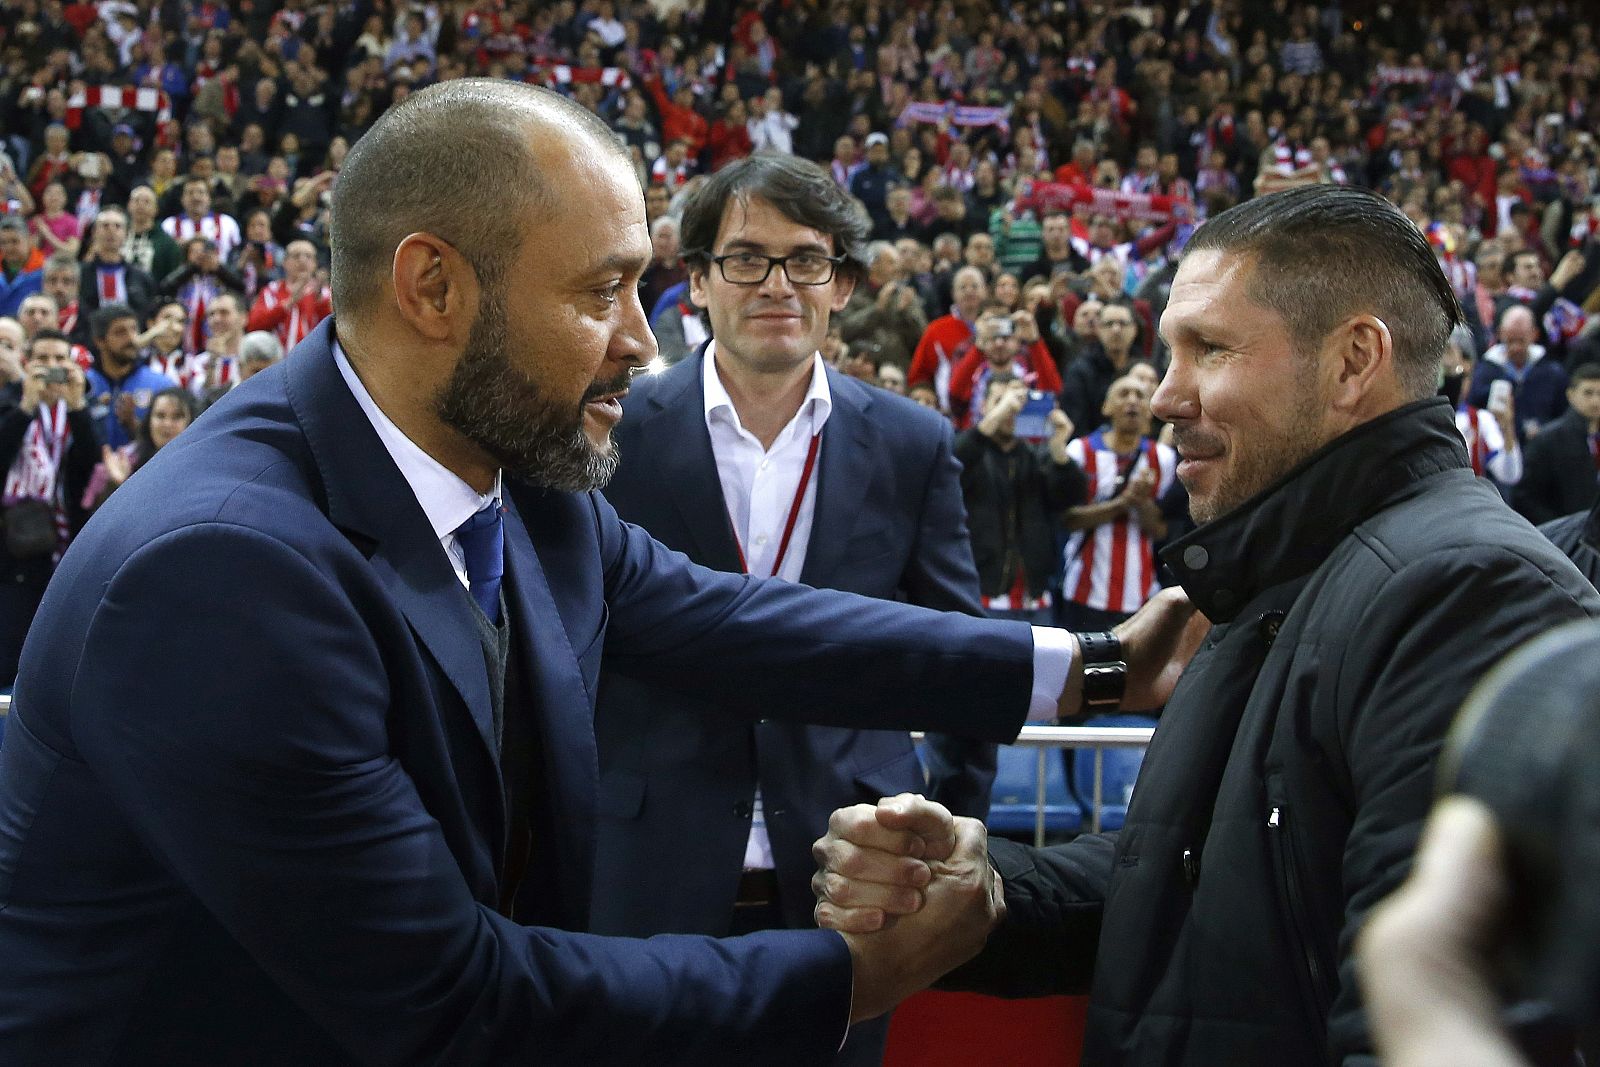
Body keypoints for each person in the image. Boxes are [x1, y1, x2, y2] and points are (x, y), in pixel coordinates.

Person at [0, 79, 1197, 1064]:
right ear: (433, 287)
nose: (646, 337)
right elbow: (451, 995)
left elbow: (739, 622)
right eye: (601, 290)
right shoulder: (221, 572)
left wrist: (1093, 666)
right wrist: (843, 973)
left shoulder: (515, 472)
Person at [813, 185, 1600, 1065]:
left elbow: (1422, 1009)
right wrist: (988, 890)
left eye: (1210, 350)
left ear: (1352, 363)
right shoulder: (1281, 564)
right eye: (1167, 354)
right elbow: (1195, 875)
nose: (1164, 397)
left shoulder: (1468, 594)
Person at [589, 152, 1001, 1067]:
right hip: (646, 867)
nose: (777, 284)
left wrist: (940, 823)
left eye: (806, 259)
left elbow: (959, 656)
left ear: (842, 285)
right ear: (695, 280)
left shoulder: (911, 443)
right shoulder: (614, 431)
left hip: (851, 881)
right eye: (745, 258)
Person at [1057, 373, 1180, 631]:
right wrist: (1124, 503)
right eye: (1123, 394)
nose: (1132, 401)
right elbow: (1068, 520)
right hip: (1084, 591)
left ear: (1150, 410)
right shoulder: (1079, 452)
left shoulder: (1165, 460)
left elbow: (1160, 531)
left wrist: (1141, 502)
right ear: (1106, 406)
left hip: (1141, 596)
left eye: (1140, 396)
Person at [956, 376, 1083, 622]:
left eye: (1018, 404)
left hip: (1035, 597)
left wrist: (1059, 447)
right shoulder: (969, 449)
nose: (1012, 409)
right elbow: (953, 467)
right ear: (983, 406)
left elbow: (1070, 499)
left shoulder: (1036, 456)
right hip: (981, 594)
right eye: (1000, 401)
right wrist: (998, 413)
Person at [81, 386, 197, 511]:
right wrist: (116, 485)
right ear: (149, 421)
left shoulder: (200, 466)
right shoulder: (125, 460)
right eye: (160, 415)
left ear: (192, 421)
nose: (167, 424)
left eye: (177, 416)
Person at [83, 303, 179, 450]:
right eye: (120, 332)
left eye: (134, 329)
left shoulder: (161, 384)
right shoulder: (84, 384)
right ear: (99, 341)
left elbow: (173, 443)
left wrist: (133, 425)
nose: (132, 338)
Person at [1514, 363, 1600, 524]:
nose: (1596, 401)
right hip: (1563, 535)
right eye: (1588, 393)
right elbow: (1525, 496)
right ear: (1570, 395)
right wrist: (1561, 528)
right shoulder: (1548, 440)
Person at [246, 238, 332, 351]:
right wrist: (289, 303)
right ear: (285, 262)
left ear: (315, 263)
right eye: (296, 256)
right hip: (277, 361)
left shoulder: (325, 294)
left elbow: (334, 332)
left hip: (313, 362)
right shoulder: (271, 291)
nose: (302, 260)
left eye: (308, 256)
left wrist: (320, 302)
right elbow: (253, 326)